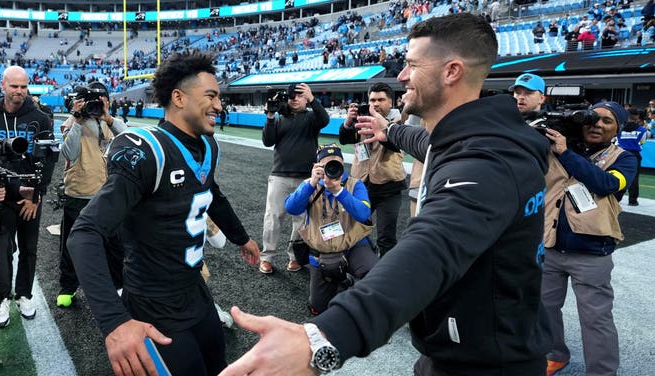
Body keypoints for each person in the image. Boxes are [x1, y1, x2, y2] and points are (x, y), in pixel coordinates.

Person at [218, 13, 552, 376]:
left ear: (451, 71)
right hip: (464, 341)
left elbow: (431, 250)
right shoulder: (474, 139)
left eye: (411, 65)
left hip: (486, 362)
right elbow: (432, 145)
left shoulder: (488, 161)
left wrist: (325, 337)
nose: (402, 76)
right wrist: (391, 131)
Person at [67, 51, 261, 376]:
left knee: (219, 366)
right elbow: (85, 233)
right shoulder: (148, 151)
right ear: (179, 97)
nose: (219, 105)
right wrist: (114, 322)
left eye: (219, 97)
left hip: (194, 288)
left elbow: (210, 192)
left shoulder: (208, 145)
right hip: (152, 301)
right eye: (211, 96)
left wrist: (241, 237)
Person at [541, 101, 636, 376]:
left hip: (591, 251)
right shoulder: (558, 145)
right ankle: (555, 355)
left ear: (617, 128)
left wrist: (566, 152)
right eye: (593, 118)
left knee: (596, 319)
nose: (598, 124)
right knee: (545, 310)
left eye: (608, 121)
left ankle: (603, 372)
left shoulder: (624, 158)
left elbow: (606, 185)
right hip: (549, 244)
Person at [0, 65, 55, 328]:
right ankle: (2, 296)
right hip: (1, 195)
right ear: (2, 85)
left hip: (29, 195)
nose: (19, 91)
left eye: (24, 86)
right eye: (14, 86)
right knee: (1, 250)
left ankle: (24, 294)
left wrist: (35, 196)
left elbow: (49, 160)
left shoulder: (40, 117)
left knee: (29, 249)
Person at [56, 82, 128, 307]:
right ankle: (68, 287)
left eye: (101, 100)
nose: (96, 105)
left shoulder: (109, 122)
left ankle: (119, 285)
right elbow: (69, 152)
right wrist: (77, 120)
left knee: (115, 245)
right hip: (79, 192)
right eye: (92, 101)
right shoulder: (71, 121)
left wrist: (107, 117)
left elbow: (130, 138)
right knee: (72, 244)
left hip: (107, 194)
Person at [284, 144, 378, 315]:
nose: (333, 168)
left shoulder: (354, 185)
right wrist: (312, 183)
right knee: (318, 308)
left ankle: (364, 310)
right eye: (327, 164)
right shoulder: (309, 185)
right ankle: (342, 280)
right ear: (317, 166)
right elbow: (291, 208)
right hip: (321, 251)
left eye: (337, 163)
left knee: (376, 274)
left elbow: (364, 214)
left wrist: (340, 191)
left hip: (353, 246)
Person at [259, 83, 330, 274]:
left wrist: (313, 99)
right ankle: (267, 257)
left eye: (300, 95)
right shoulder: (279, 118)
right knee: (273, 218)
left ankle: (295, 257)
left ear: (306, 97)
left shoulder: (312, 117)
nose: (295, 99)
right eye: (292, 96)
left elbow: (325, 120)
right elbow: (267, 141)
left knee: (301, 220)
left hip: (306, 178)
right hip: (279, 174)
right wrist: (270, 116)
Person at [339, 82, 405, 256]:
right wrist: (348, 122)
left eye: (381, 100)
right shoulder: (362, 118)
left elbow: (395, 144)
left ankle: (385, 276)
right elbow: (345, 139)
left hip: (388, 187)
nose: (375, 104)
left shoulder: (399, 122)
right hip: (361, 184)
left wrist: (381, 127)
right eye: (372, 100)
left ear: (391, 102)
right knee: (353, 229)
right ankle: (360, 263)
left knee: (386, 236)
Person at [616, 108, 648, 206]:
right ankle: (632, 200)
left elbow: (616, 141)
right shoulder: (642, 130)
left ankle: (616, 198)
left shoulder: (619, 128)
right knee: (634, 178)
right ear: (637, 117)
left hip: (620, 154)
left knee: (617, 176)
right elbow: (642, 142)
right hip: (634, 155)